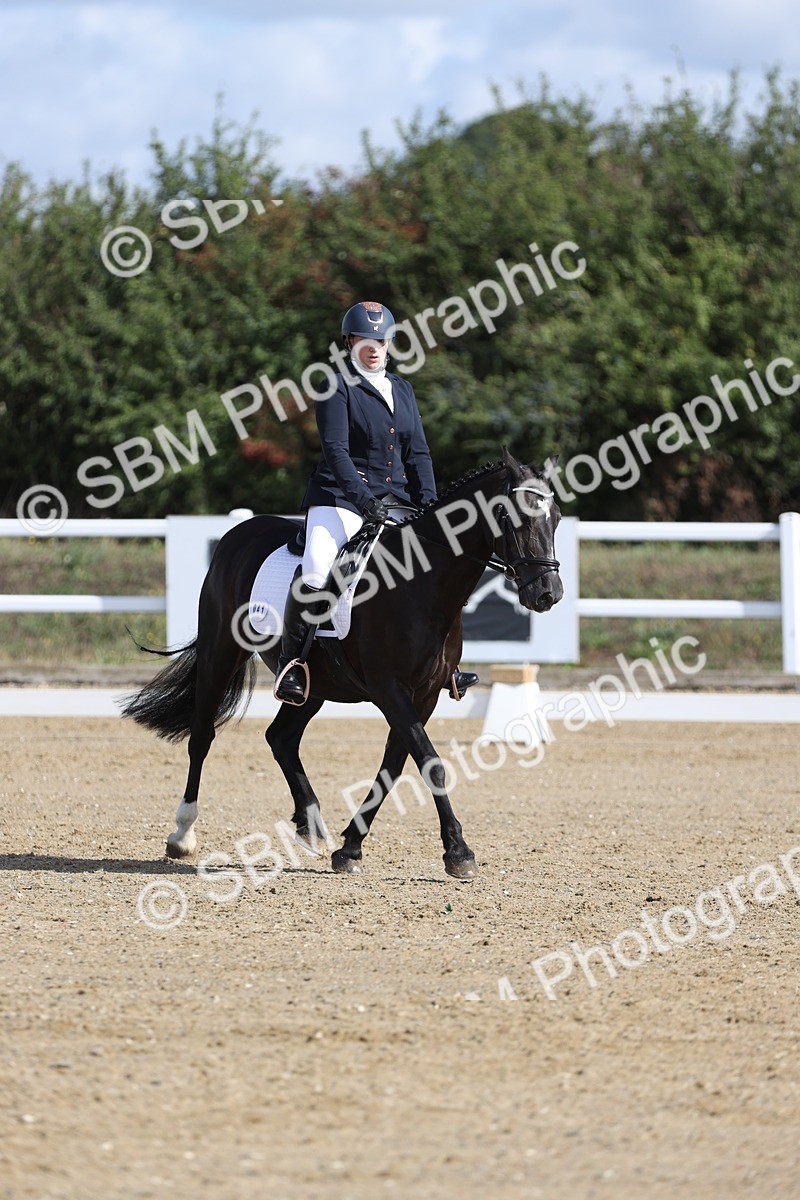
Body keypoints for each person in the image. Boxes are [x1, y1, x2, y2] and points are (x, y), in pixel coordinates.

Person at [273, 300, 479, 705]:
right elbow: (336, 451)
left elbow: (418, 454)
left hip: (397, 501)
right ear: (350, 341)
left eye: (381, 339)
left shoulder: (402, 389)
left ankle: (445, 665)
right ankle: (292, 664)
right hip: (339, 498)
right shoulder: (335, 386)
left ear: (390, 343)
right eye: (366, 339)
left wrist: (431, 509)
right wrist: (364, 501)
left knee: (436, 569)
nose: (374, 347)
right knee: (317, 570)